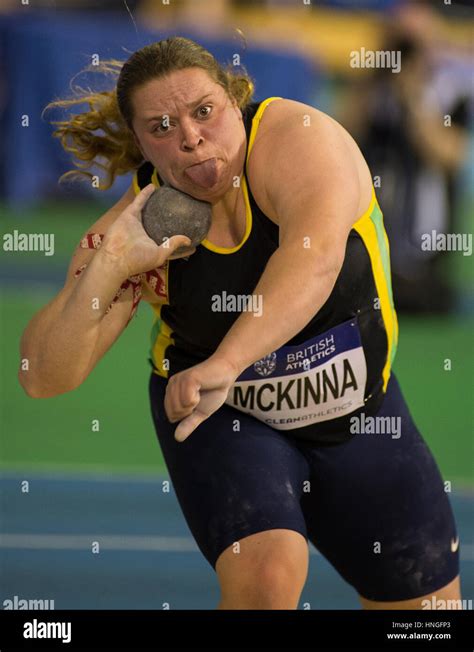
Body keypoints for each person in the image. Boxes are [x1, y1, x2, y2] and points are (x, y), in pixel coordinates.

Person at [19, 37, 461, 610]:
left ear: (236, 100)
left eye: (204, 112)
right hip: (221, 414)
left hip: (359, 413)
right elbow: (43, 374)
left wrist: (229, 361)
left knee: (430, 616)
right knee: (269, 576)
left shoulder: (300, 142)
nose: (190, 137)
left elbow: (314, 259)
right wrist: (109, 267)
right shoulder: (141, 226)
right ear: (140, 143)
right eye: (160, 127)